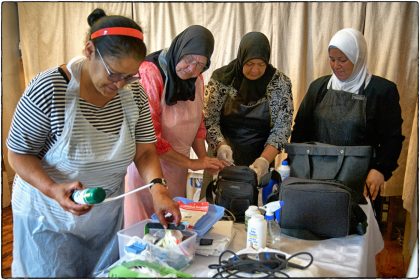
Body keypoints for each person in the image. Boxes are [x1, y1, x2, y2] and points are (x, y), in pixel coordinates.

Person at [6, 8, 180, 278]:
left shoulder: (133, 91)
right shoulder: (50, 88)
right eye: (113, 74)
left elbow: (145, 150)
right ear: (89, 50)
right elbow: (17, 155)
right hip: (49, 219)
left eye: (129, 76)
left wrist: (158, 189)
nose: (120, 84)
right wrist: (53, 189)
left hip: (103, 219)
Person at [124, 25, 227, 227]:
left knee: (172, 225)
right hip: (149, 164)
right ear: (180, 49)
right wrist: (194, 164)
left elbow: (198, 124)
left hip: (179, 166)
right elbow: (150, 135)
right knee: (145, 228)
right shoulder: (151, 72)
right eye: (189, 60)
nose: (192, 69)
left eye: (200, 64)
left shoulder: (197, 78)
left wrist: (204, 158)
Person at [291, 28, 404, 203]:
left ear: (358, 58)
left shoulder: (381, 91)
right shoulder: (318, 88)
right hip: (315, 176)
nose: (336, 65)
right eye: (332, 59)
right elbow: (300, 131)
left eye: (343, 60)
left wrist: (380, 170)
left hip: (360, 179)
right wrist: (297, 166)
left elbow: (392, 139)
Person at [204, 31, 294, 183]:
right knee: (217, 200)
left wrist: (264, 160)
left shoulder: (280, 83)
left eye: (261, 64)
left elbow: (282, 127)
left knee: (255, 204)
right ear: (241, 58)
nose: (255, 70)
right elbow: (209, 118)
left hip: (261, 153)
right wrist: (221, 147)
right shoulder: (222, 78)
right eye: (250, 64)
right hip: (223, 155)